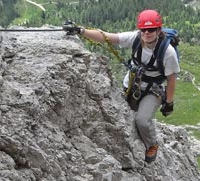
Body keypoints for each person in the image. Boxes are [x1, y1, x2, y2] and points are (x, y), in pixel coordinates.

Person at [65, 9, 179, 163]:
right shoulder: (135, 38)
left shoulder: (168, 52)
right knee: (123, 115)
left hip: (153, 90)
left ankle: (152, 144)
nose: (147, 33)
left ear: (159, 30)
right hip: (132, 85)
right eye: (143, 29)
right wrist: (81, 31)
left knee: (142, 120)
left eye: (151, 29)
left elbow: (171, 80)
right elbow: (106, 37)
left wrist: (169, 103)